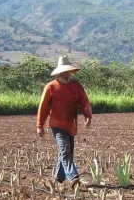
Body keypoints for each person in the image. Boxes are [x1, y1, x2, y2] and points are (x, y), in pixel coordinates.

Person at [37, 56, 92, 190]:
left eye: (69, 71)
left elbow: (84, 102)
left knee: (66, 152)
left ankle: (57, 179)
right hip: (57, 124)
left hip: (71, 124)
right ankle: (73, 177)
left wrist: (88, 116)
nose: (67, 74)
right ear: (60, 72)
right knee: (65, 150)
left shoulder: (76, 86)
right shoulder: (51, 87)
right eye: (65, 71)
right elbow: (43, 107)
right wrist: (40, 125)